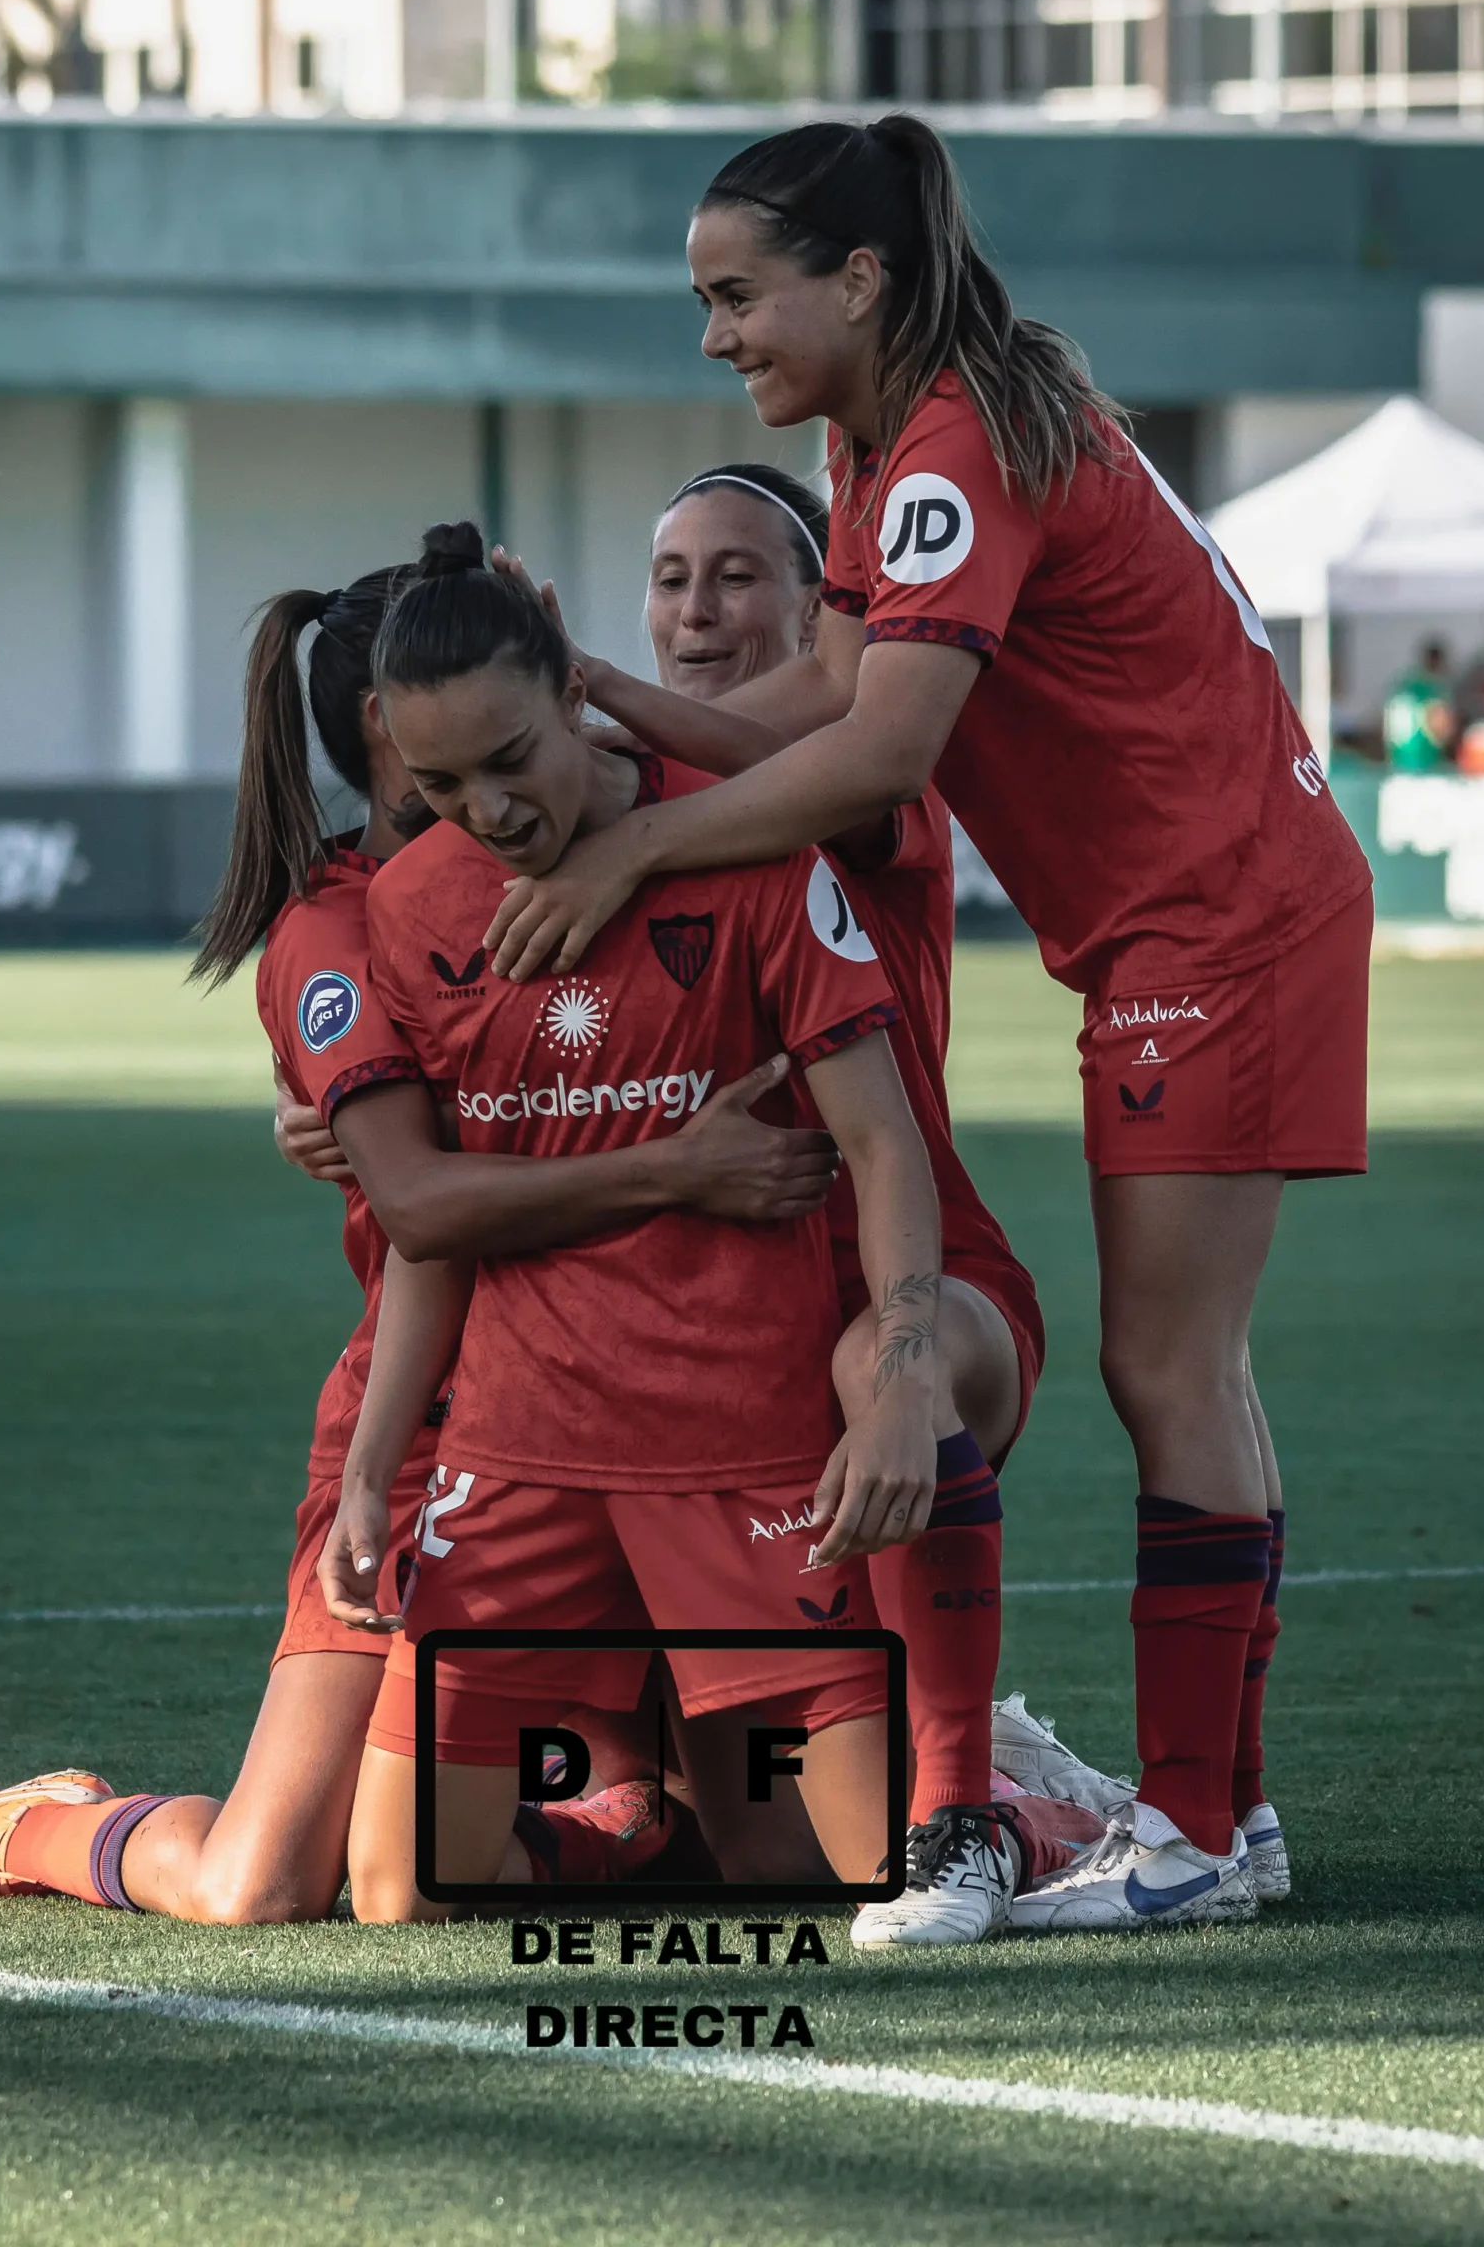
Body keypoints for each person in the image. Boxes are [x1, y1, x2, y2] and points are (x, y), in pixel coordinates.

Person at [479, 116, 1376, 1929]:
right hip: (1187, 918)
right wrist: (583, 684)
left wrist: (631, 833)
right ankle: (1223, 1821)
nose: (715, 334)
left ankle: (1189, 1833)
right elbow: (823, 687)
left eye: (736, 295)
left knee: (1167, 1370)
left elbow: (877, 756)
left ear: (858, 279)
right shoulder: (891, 425)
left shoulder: (951, 439)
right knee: (1190, 1370)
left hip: (1215, 918)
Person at [0, 569, 838, 1919]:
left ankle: (765, 1796)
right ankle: (41, 1831)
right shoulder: (344, 926)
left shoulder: (605, 829)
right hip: (434, 1421)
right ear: (386, 725)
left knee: (781, 1851)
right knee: (269, 1883)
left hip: (648, 1399)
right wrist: (680, 1167)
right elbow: (425, 1211)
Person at [313, 524, 1066, 1941]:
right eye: (440, 783)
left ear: (570, 697)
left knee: (829, 1883)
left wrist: (904, 1378)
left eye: (513, 758)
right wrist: (372, 1475)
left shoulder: (747, 843)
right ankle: (639, 1809)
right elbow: (436, 1232)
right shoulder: (412, 911)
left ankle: (1029, 1813)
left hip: (738, 1445)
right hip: (519, 1458)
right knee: (400, 1893)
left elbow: (879, 1138)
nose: (489, 808)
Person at [504, 458, 1048, 1941]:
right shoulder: (609, 807)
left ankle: (969, 1814)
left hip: (907, 1275)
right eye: (672, 578)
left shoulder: (862, 780)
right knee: (634, 1846)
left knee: (877, 1371)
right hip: (694, 1325)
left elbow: (777, 771)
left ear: (825, 614)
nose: (698, 607)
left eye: (739, 574)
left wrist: (593, 686)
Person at [1383, 640, 1456, 772]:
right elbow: (1440, 724)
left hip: (1398, 764)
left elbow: (1387, 726)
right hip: (1426, 764)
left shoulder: (1403, 687)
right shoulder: (1433, 691)